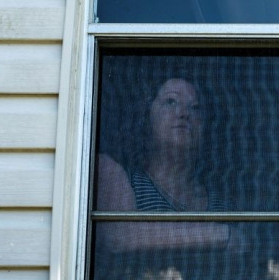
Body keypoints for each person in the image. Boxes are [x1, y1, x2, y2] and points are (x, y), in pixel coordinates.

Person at [96, 77, 237, 251]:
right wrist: (221, 234)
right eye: (171, 102)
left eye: (195, 108)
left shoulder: (221, 204)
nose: (184, 113)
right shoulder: (119, 176)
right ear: (146, 116)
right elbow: (119, 235)